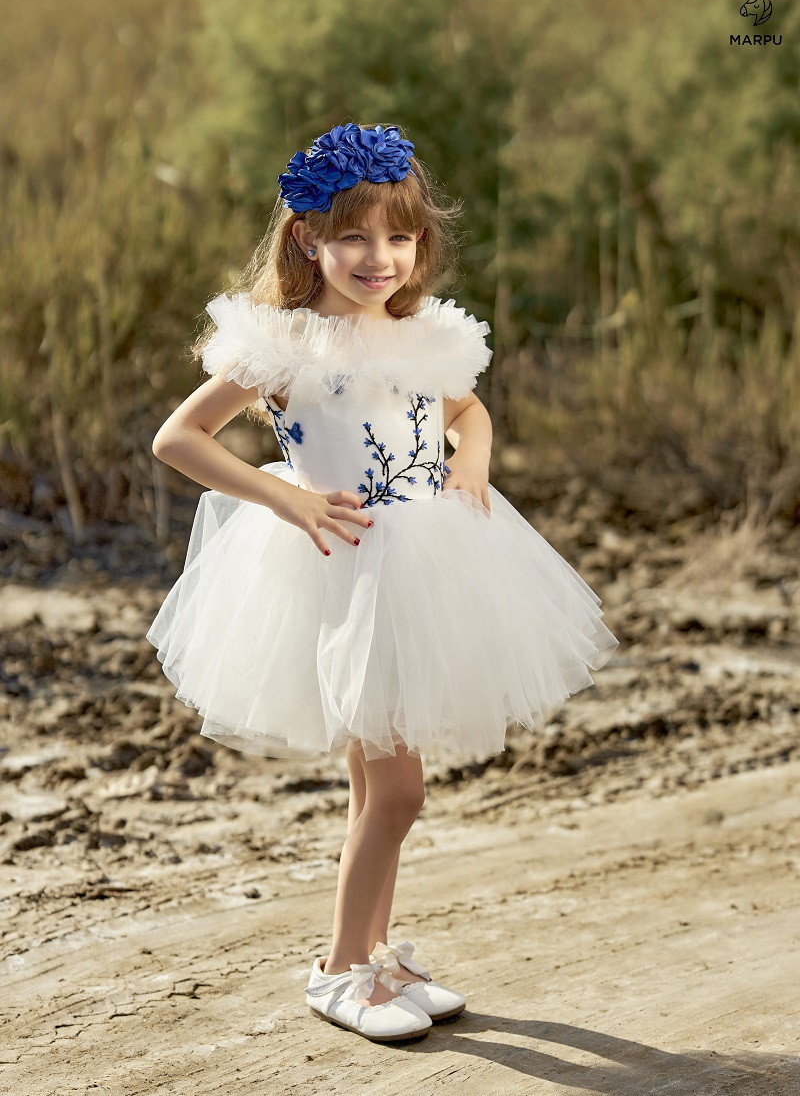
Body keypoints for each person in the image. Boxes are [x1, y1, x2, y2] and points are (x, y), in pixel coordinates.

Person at [147, 122, 620, 1044]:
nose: (380, 258)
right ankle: (337, 969)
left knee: (377, 791)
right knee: (399, 794)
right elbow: (179, 439)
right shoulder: (284, 343)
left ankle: (369, 952)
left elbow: (468, 411)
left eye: (399, 237)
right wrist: (288, 501)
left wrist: (471, 460)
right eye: (355, 237)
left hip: (428, 563)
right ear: (307, 239)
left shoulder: (420, 335)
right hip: (350, 571)